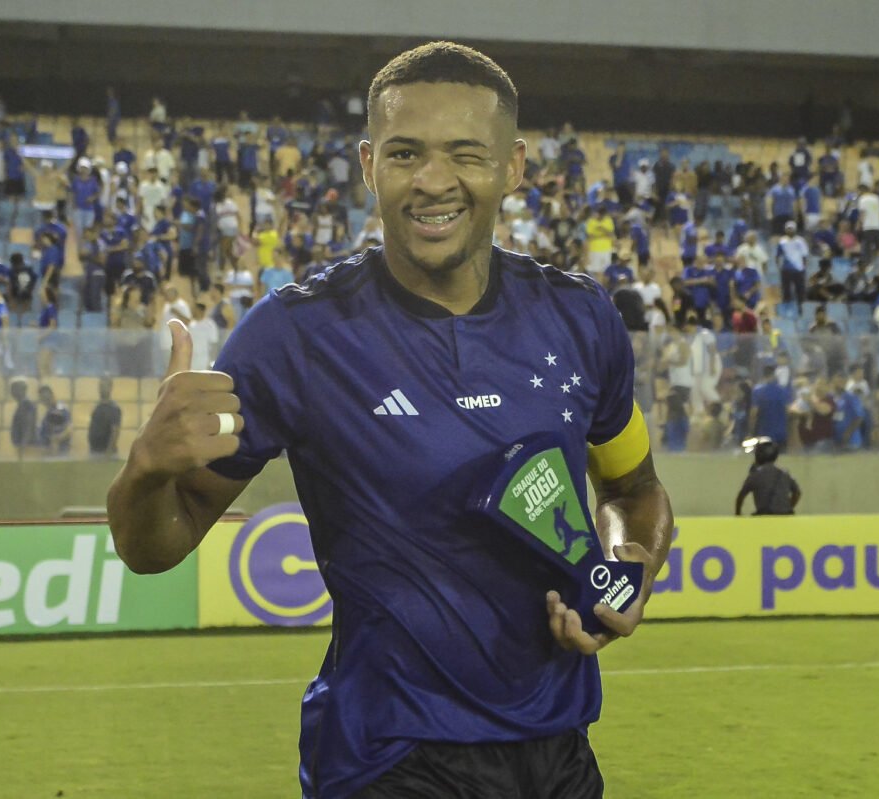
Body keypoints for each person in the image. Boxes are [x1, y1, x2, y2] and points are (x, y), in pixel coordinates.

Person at [106, 42, 672, 798]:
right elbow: (155, 546)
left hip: (559, 754)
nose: (433, 181)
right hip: (384, 759)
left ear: (513, 167)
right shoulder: (294, 336)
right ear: (370, 166)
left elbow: (635, 489)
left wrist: (628, 563)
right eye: (406, 154)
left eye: (465, 154)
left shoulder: (581, 318)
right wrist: (147, 470)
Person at [734, 437, 801, 516]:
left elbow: (741, 497)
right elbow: (797, 493)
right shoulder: (784, 473)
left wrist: (738, 514)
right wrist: (789, 507)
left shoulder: (755, 475)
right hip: (786, 515)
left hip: (764, 516)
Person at [88, 376, 123, 458]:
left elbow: (115, 432)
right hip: (94, 451)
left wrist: (109, 452)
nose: (101, 389)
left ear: (110, 388)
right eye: (100, 386)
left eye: (104, 386)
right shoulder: (97, 407)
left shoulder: (114, 408)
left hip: (106, 454)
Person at [38, 384, 73, 456]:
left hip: (59, 453)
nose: (45, 401)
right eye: (42, 399)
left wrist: (56, 440)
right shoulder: (48, 412)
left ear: (52, 395)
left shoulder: (59, 407)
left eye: (47, 398)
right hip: (49, 453)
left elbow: (69, 429)